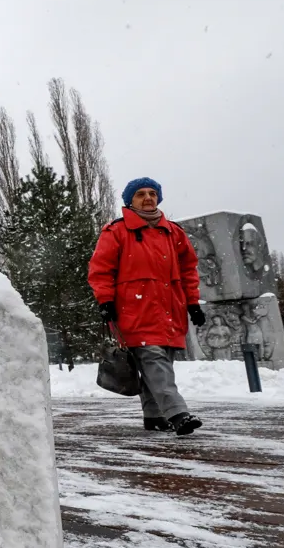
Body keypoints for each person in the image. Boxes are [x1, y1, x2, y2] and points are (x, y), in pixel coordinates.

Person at [88, 177, 205, 435]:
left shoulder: (174, 233)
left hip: (169, 308)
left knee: (162, 362)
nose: (148, 197)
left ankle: (153, 416)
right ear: (130, 200)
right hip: (133, 309)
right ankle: (178, 414)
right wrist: (105, 300)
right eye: (141, 193)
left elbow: (188, 270)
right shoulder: (116, 231)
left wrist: (193, 303)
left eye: (153, 193)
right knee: (153, 359)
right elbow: (100, 270)